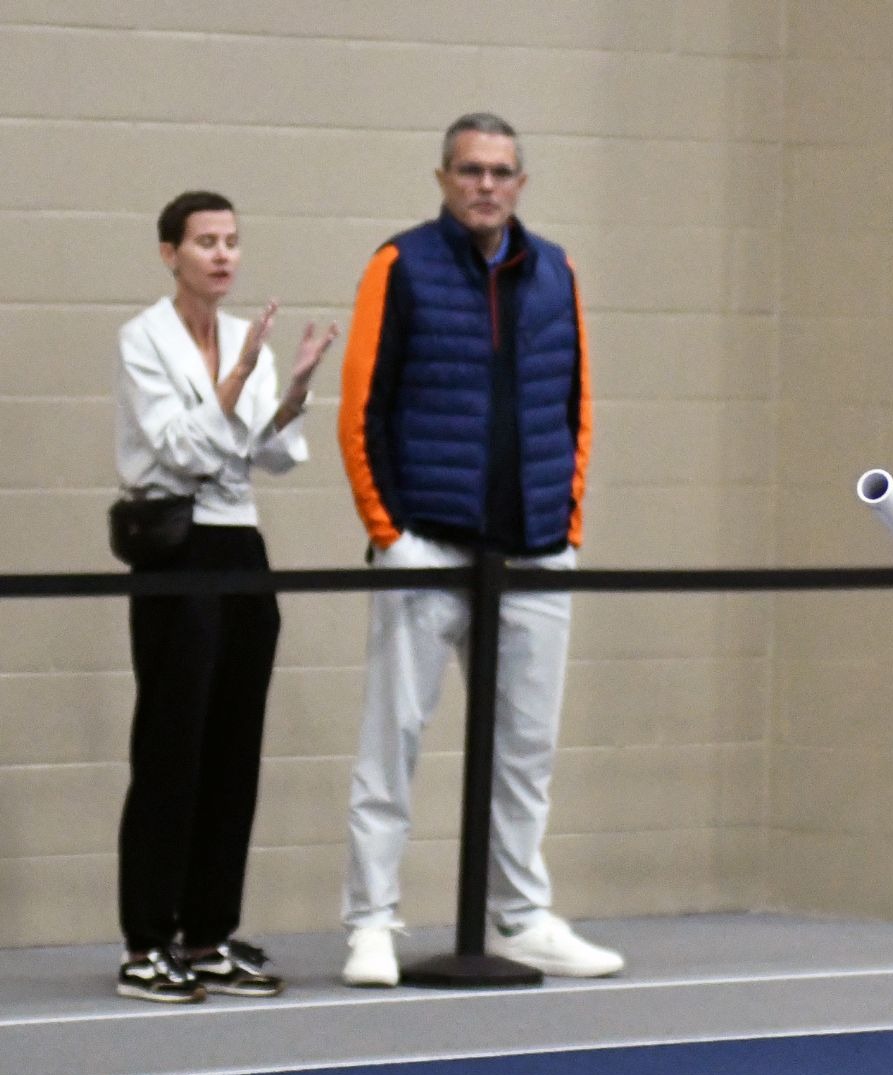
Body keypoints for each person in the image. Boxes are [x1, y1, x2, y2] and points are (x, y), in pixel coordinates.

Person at [335, 112, 621, 986]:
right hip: (426, 548)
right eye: (469, 170)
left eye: (500, 171)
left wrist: (564, 527)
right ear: (443, 178)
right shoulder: (400, 264)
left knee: (525, 751)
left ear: (520, 184)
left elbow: (577, 405)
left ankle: (522, 915)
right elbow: (360, 409)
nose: (485, 185)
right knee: (393, 745)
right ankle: (371, 925)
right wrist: (391, 535)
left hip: (534, 552)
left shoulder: (557, 271)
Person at [113, 190, 337, 1003]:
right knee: (170, 744)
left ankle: (207, 932)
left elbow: (271, 459)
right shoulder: (143, 338)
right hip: (175, 545)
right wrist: (237, 388)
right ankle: (147, 942)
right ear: (170, 253)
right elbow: (176, 450)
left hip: (241, 540)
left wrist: (290, 392)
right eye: (205, 241)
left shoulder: (251, 337)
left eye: (233, 241)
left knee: (234, 745)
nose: (223, 255)